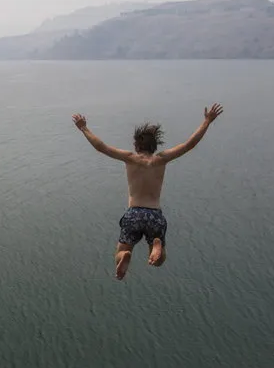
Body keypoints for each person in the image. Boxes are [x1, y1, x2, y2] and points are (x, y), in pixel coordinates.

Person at [72, 103, 224, 280]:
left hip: (134, 213)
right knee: (159, 261)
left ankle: (125, 256)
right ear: (154, 146)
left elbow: (101, 147)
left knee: (122, 251)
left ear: (137, 146)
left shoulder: (130, 158)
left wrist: (84, 128)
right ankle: (156, 247)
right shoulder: (162, 159)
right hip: (154, 215)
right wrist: (207, 121)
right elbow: (190, 144)